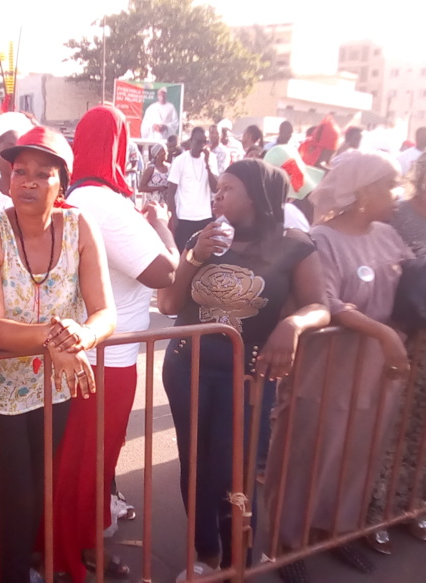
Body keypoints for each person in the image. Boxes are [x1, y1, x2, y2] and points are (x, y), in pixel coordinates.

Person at [159, 159, 329, 573]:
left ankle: (238, 559)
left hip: (248, 376)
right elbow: (168, 304)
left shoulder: (294, 245)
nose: (216, 195)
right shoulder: (204, 238)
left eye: (227, 188)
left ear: (256, 195)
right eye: (216, 188)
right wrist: (195, 256)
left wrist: (293, 323)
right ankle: (206, 554)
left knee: (230, 468)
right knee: (194, 463)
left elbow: (319, 306)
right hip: (185, 368)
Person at [0, 126, 116, 583]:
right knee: (18, 498)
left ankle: (17, 570)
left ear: (62, 184)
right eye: (20, 171)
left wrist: (83, 337)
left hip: (54, 385)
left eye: (43, 173)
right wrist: (59, 339)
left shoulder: (79, 227)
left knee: (38, 489)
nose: (28, 181)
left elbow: (104, 312)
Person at [264, 151, 411, 582]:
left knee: (358, 451)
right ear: (362, 192)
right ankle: (286, 544)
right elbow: (327, 301)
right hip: (326, 368)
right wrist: (384, 334)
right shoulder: (322, 239)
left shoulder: (388, 234)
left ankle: (337, 532)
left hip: (375, 371)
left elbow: (412, 285)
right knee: (306, 451)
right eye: (388, 185)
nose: (396, 194)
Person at [57, 105, 179, 582]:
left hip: (75, 351)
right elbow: (162, 271)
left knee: (74, 464)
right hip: (108, 356)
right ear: (120, 147)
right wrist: (164, 227)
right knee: (90, 464)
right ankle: (77, 553)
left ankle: (68, 547)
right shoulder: (108, 207)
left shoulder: (70, 198)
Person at [366, 141, 426, 554]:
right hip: (402, 342)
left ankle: (414, 505)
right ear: (423, 173)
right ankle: (374, 511)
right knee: (391, 427)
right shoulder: (396, 216)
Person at [166, 127, 219, 250]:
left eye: (204, 142)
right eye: (198, 141)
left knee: (204, 257)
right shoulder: (180, 160)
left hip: (205, 217)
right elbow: (171, 192)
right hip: (184, 218)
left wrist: (207, 164)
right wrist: (174, 217)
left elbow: (215, 188)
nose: (201, 145)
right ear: (191, 141)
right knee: (183, 254)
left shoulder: (211, 159)